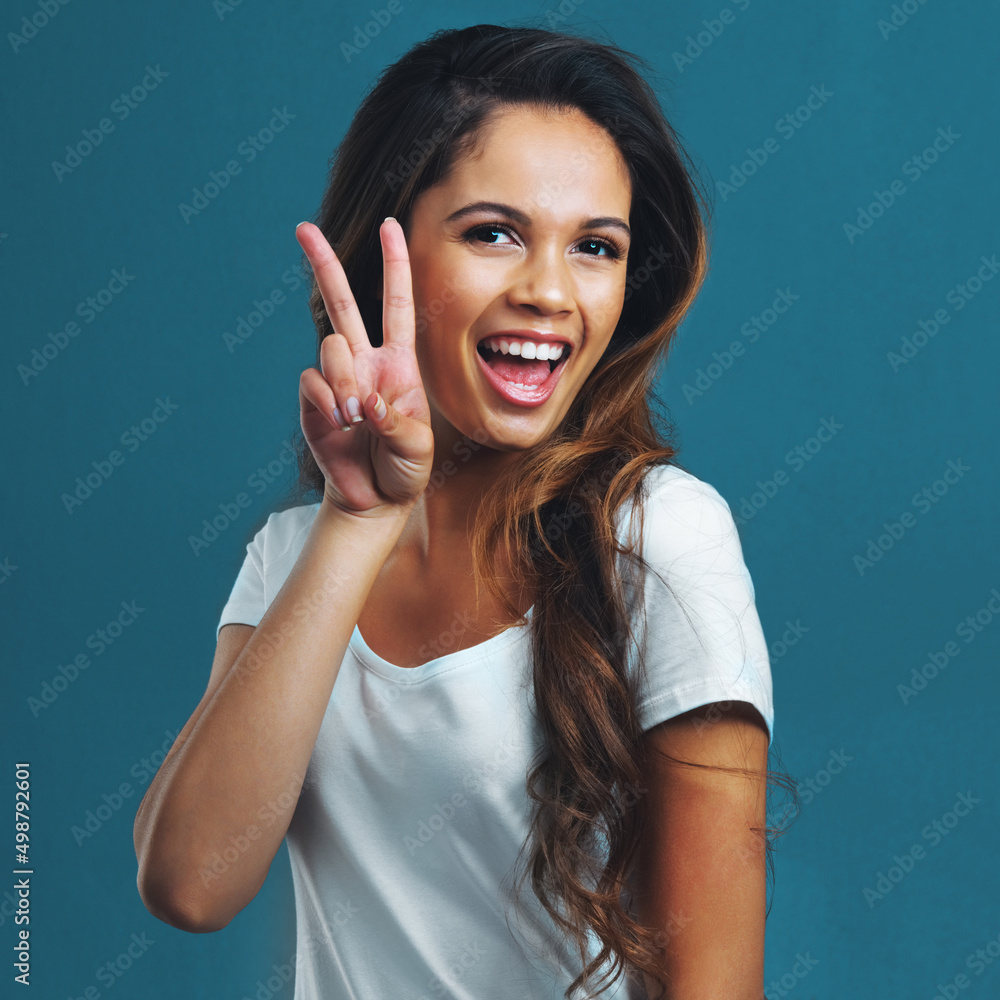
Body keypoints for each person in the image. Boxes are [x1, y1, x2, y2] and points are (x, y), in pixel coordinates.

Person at [133, 23, 792, 1000]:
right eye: (494, 232)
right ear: (386, 254)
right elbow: (190, 882)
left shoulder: (661, 538)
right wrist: (354, 523)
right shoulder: (290, 555)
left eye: (596, 248)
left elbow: (715, 984)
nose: (550, 293)